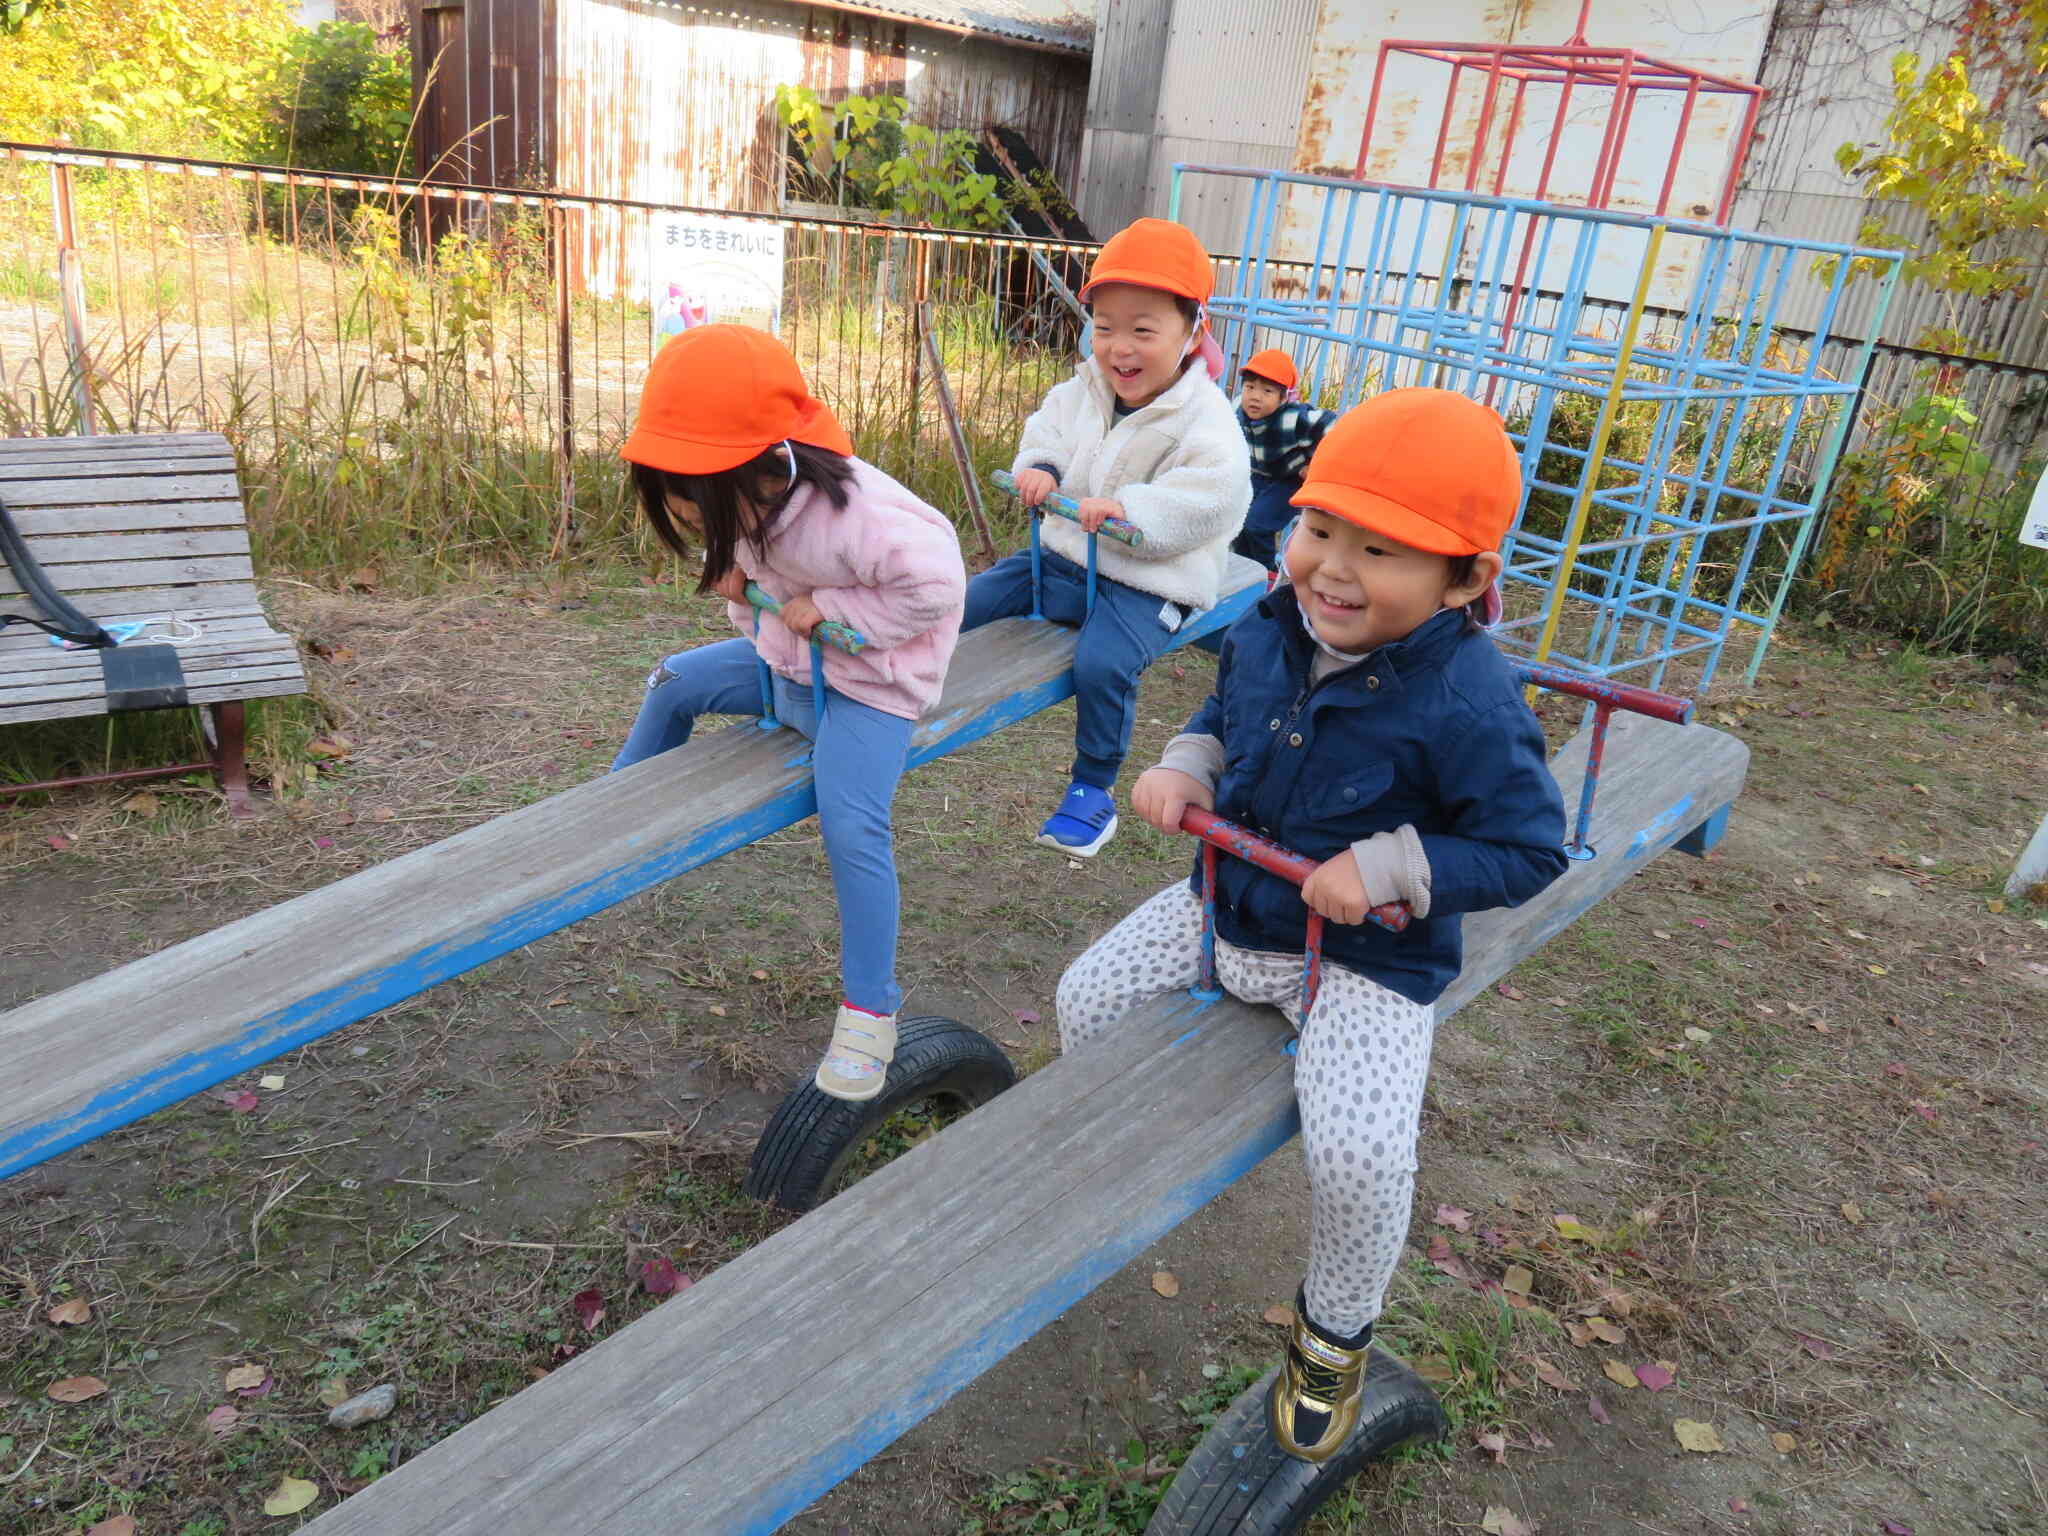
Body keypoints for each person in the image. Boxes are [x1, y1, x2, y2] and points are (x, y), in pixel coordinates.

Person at [1054, 388, 1567, 1462]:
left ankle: (1334, 1333)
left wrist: (1391, 863)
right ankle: (1121, 1158)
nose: (1332, 568)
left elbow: (1528, 849)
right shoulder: (1268, 625)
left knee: (1358, 1154)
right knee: (1081, 998)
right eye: (1319, 529)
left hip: (1363, 961)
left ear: (1462, 580)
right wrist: (1182, 763)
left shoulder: (1468, 702)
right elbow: (1218, 716)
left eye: (1379, 551)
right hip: (1226, 908)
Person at [612, 324, 966, 1102]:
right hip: (793, 669)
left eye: (702, 512)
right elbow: (762, 593)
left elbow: (938, 586)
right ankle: (609, 818)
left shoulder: (858, 517)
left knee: (852, 823)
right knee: (673, 678)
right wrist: (752, 605)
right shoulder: (744, 503)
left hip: (870, 689)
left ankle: (872, 1011)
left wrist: (828, 607)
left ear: (761, 473)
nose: (702, 530)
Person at [965, 217, 1251, 858]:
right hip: (1064, 557)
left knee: (1104, 665)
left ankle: (1092, 792)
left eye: (1144, 330)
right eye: (1105, 327)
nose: (1120, 348)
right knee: (966, 601)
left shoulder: (1207, 422)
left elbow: (1210, 498)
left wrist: (1127, 509)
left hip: (1145, 585)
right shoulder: (1083, 388)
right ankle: (884, 688)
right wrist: (1039, 469)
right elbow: (1046, 430)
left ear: (1193, 331)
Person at [1231, 348, 1336, 571]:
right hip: (1256, 475)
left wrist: (1316, 465)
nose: (1256, 397)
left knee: (1257, 525)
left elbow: (1335, 427)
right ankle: (1243, 573)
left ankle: (1265, 572)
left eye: (1267, 391)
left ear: (1285, 397)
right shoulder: (1237, 409)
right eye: (1250, 387)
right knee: (1238, 522)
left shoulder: (1295, 417)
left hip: (1289, 480)